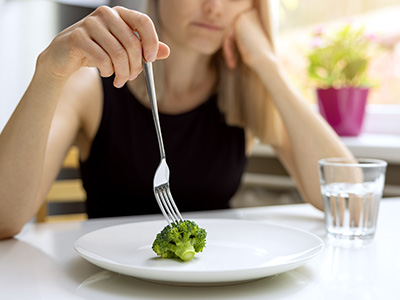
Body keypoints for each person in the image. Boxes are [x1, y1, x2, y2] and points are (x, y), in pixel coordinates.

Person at [0, 0, 352, 239]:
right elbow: (4, 219)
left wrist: (266, 63)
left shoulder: (247, 93)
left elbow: (347, 198)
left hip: (219, 282)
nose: (214, 7)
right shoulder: (90, 86)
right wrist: (50, 70)